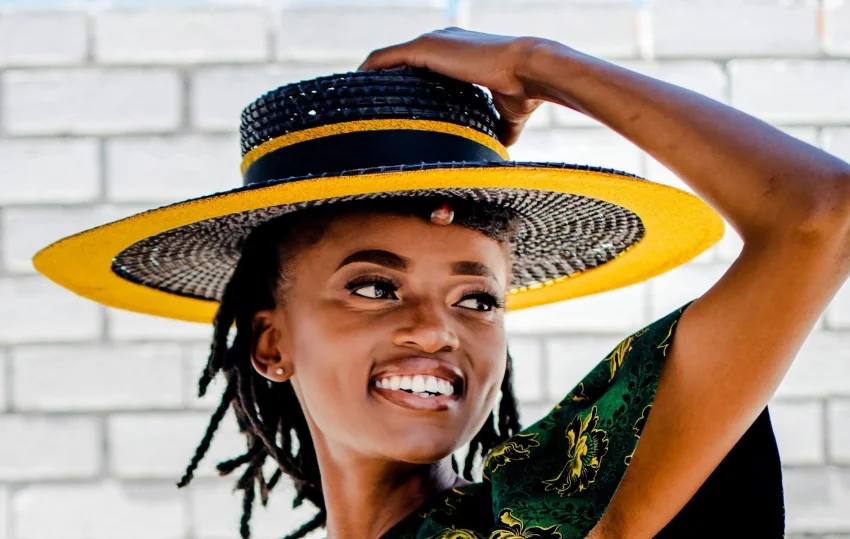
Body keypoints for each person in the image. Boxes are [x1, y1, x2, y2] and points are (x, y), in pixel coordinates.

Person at [32, 28, 850, 539]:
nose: (437, 329)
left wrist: (540, 64)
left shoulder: (568, 495)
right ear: (270, 341)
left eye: (477, 298)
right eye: (374, 288)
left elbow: (820, 216)